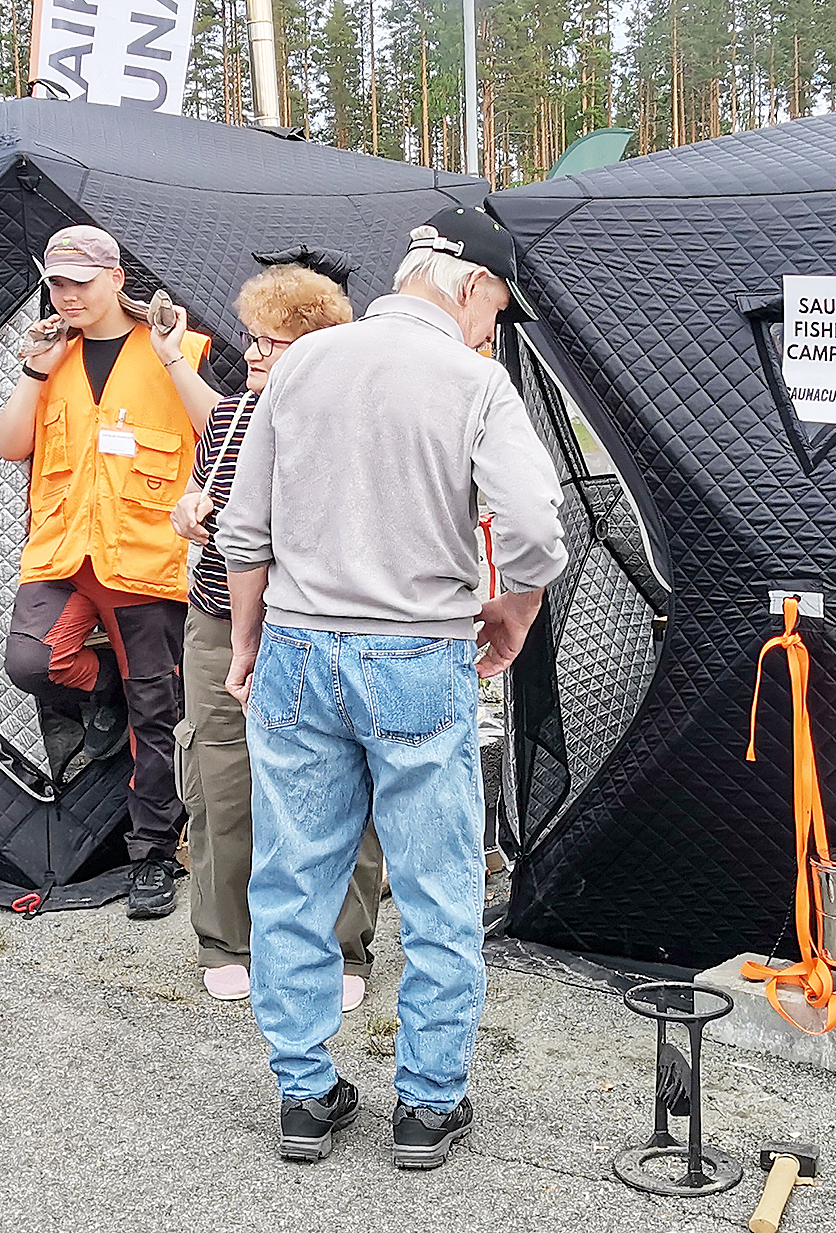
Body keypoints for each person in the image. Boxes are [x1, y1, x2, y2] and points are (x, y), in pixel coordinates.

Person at [216, 205, 566, 1168]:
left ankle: (302, 1092)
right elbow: (535, 525)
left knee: (292, 874)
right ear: (473, 286)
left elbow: (244, 528)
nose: (494, 331)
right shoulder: (474, 379)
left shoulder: (301, 365)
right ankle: (427, 1103)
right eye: (497, 311)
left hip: (294, 645)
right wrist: (515, 609)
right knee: (436, 884)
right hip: (417, 653)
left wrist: (247, 642)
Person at [166, 261, 384, 1008]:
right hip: (218, 619)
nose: (253, 354)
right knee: (219, 777)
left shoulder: (357, 423)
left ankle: (344, 950)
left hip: (314, 628)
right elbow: (202, 492)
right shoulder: (230, 413)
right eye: (253, 339)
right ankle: (227, 938)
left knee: (336, 785)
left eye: (273, 343)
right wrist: (186, 511)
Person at [0, 224, 211, 920]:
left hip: (144, 558)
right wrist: (33, 369)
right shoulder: (50, 355)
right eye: (57, 283)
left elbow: (219, 432)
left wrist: (176, 360)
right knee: (32, 661)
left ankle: (150, 853)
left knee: (160, 715)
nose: (67, 295)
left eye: (80, 282)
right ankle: (105, 682)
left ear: (116, 278)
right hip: (63, 551)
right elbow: (10, 446)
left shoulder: (176, 347)